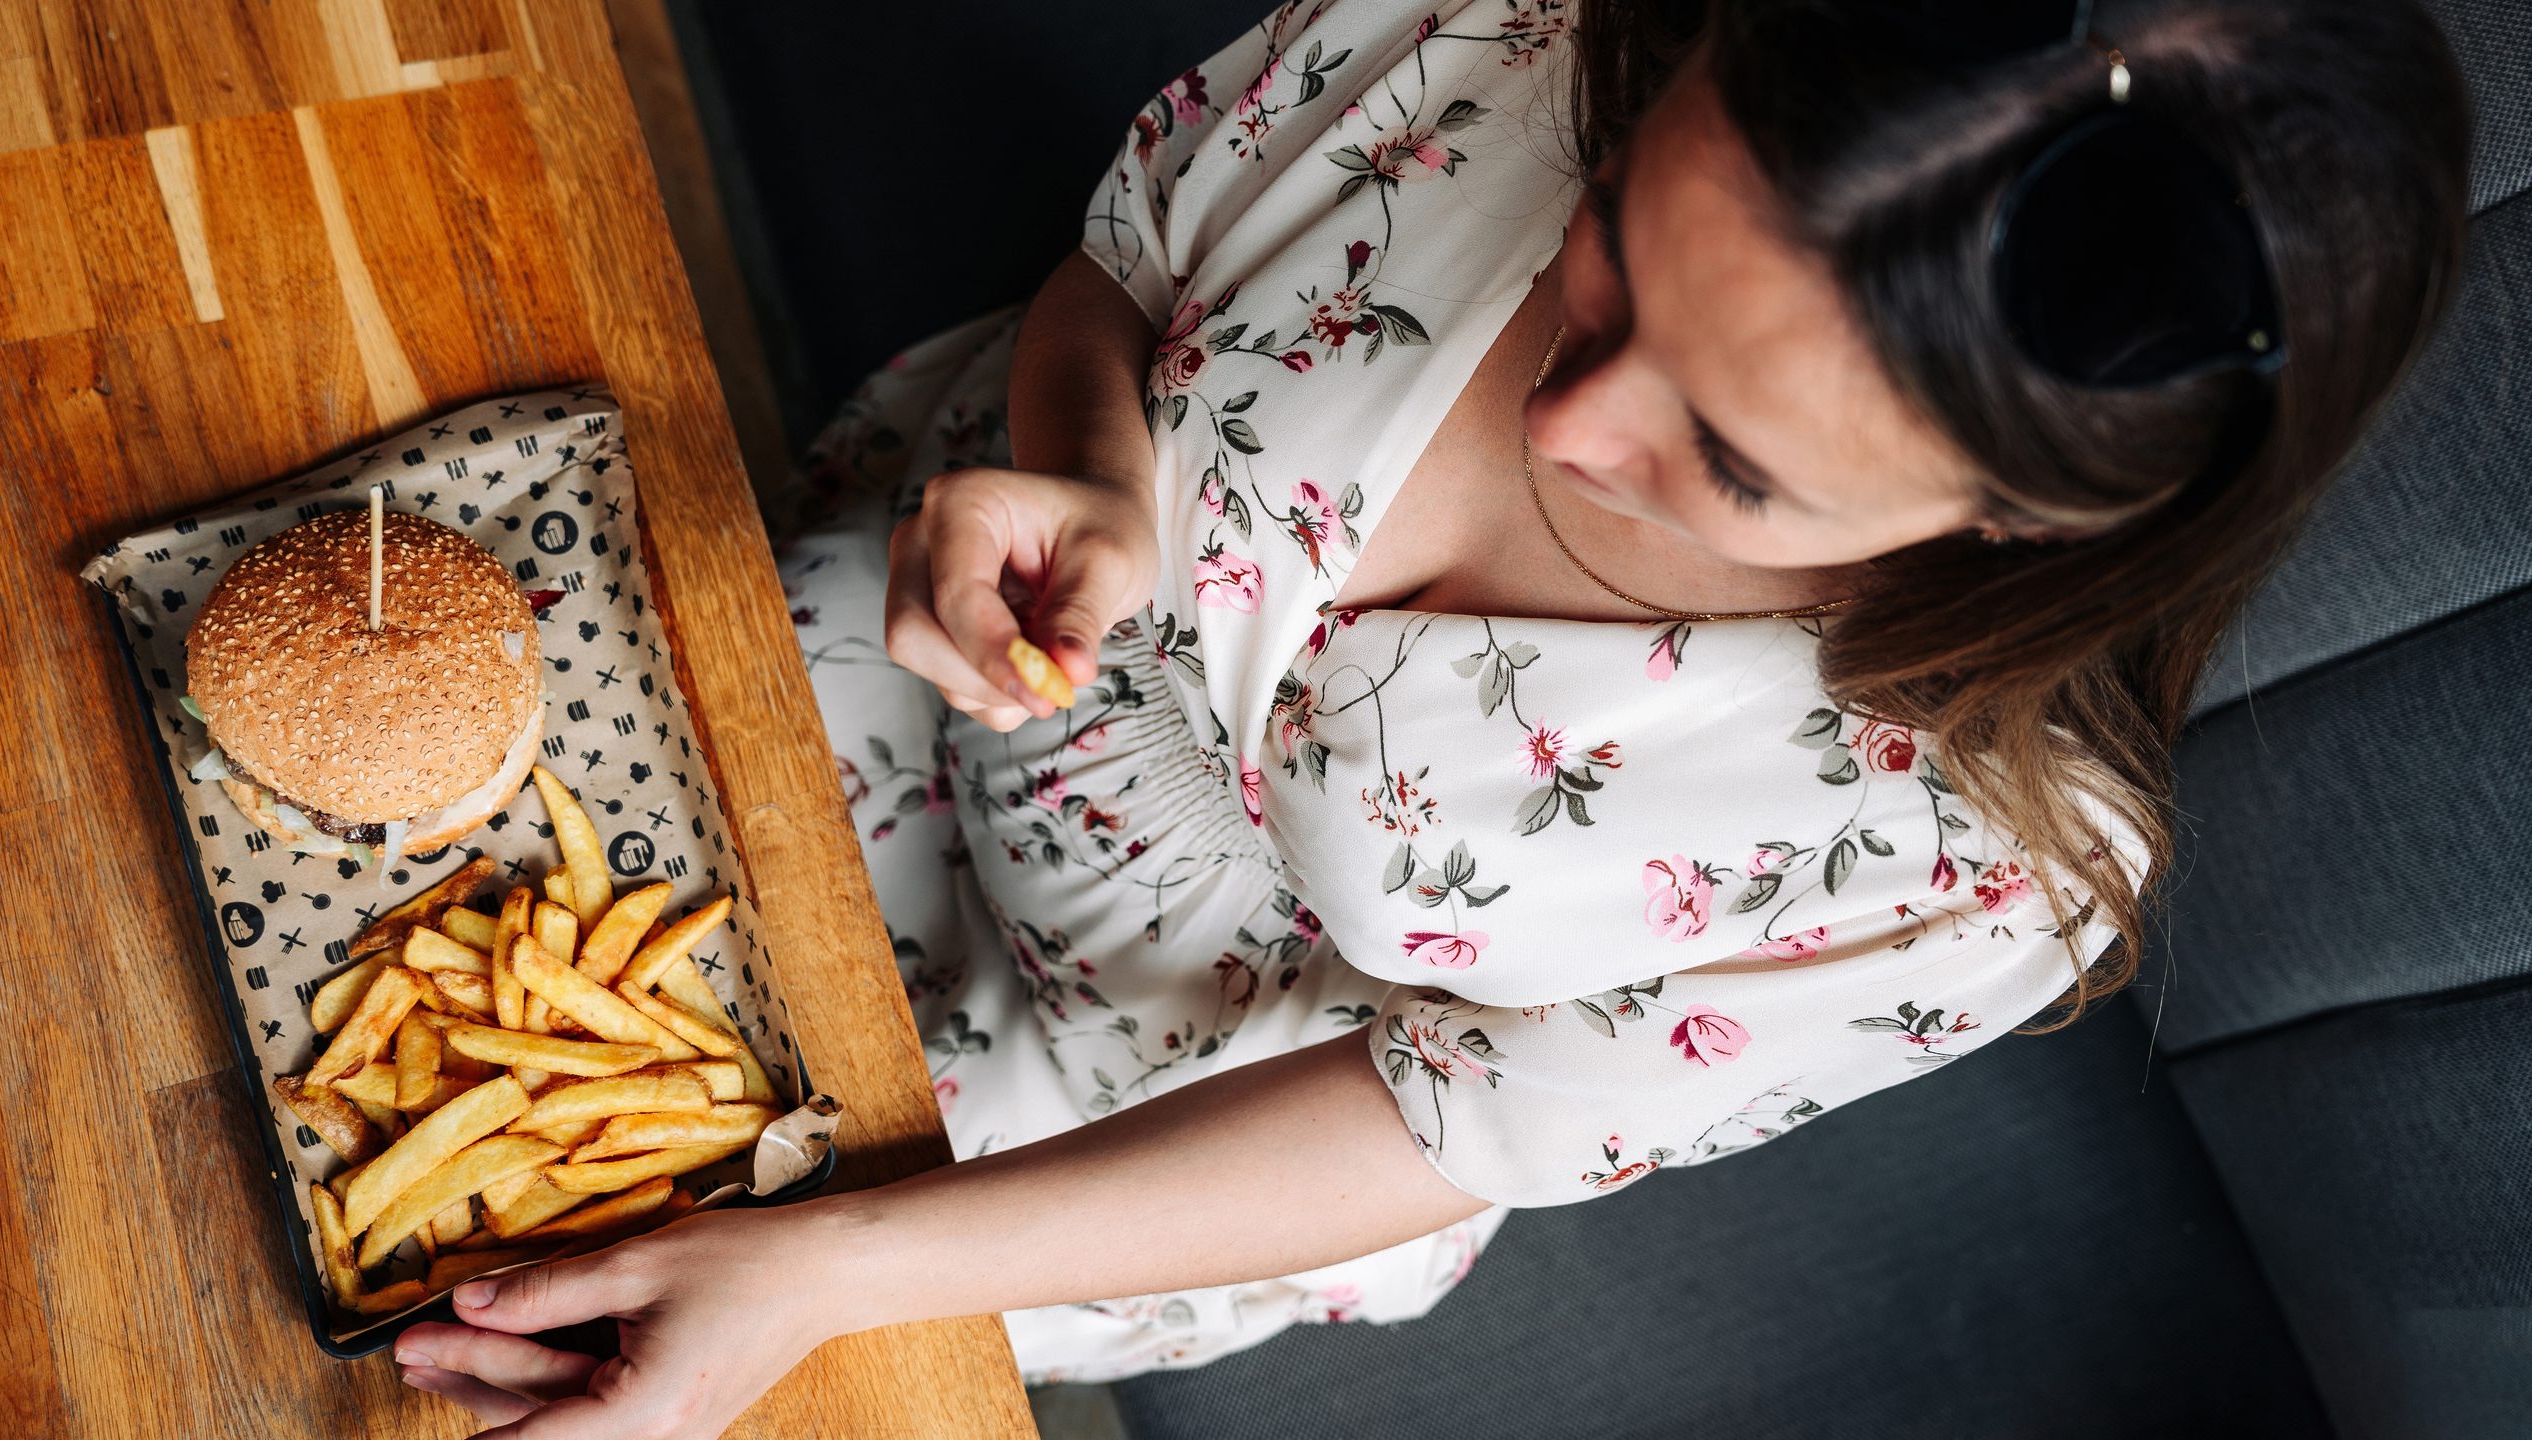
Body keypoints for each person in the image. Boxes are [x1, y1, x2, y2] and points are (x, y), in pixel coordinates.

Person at [392, 0, 2469, 1432]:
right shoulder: (1512, 38)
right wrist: (1089, 466)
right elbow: (1118, 277)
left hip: (1155, 1108)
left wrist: (830, 1273)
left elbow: (1439, 1115)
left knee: (537, 1300)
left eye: (1735, 467)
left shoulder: (1975, 877)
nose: (1571, 421)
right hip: (918, 628)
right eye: (1600, 271)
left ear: (2018, 527)